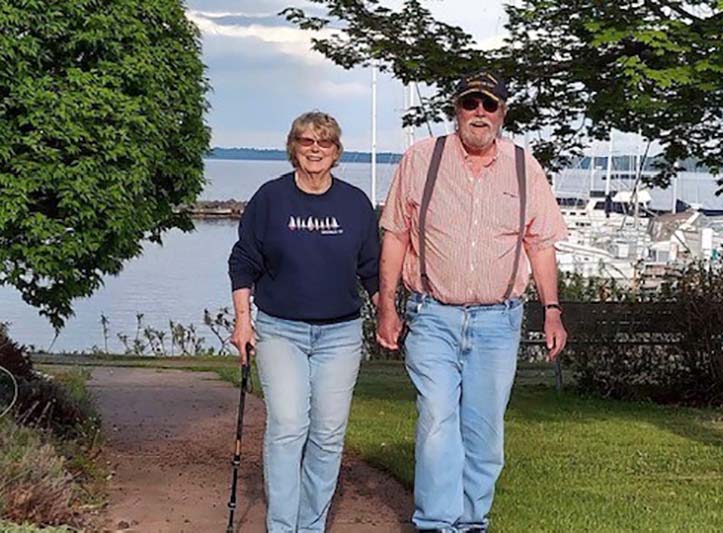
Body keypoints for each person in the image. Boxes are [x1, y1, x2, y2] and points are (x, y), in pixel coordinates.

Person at [376, 71, 568, 532]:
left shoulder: (525, 167)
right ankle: (437, 523)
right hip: (432, 315)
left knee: (483, 434)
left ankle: (470, 522)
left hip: (499, 323)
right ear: (456, 110)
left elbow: (540, 245)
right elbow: (395, 236)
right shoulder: (421, 160)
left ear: (503, 112)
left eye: (489, 104)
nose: (478, 113)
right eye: (470, 103)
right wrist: (386, 305)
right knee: (437, 423)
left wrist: (552, 311)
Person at [228, 111, 379, 532]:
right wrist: (243, 321)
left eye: (324, 142)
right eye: (306, 141)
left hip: (341, 333)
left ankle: (310, 525)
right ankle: (282, 526)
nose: (315, 149)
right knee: (289, 426)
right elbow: (243, 262)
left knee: (328, 435)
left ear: (336, 151)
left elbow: (371, 269)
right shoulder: (270, 199)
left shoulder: (354, 204)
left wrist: (388, 313)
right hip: (280, 330)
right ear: (293, 147)